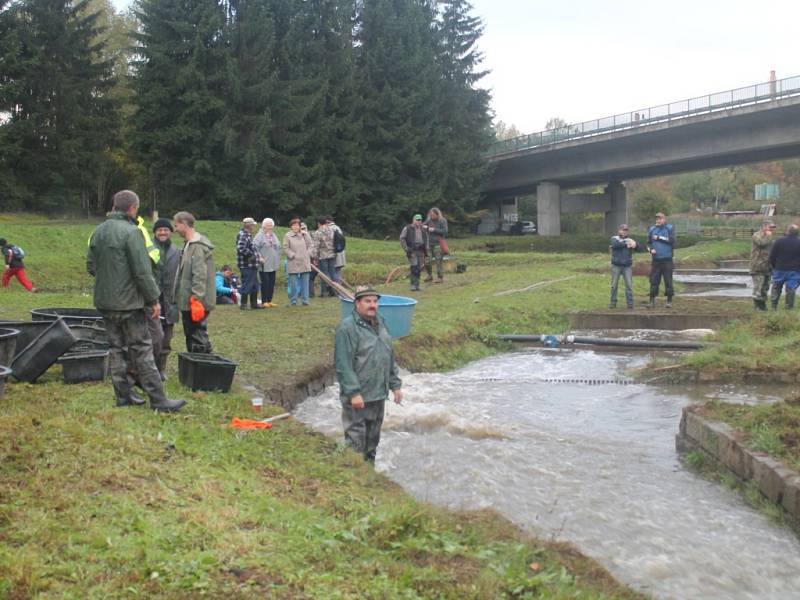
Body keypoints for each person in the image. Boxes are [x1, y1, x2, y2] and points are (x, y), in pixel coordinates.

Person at [86, 190, 185, 412]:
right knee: (142, 349)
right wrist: (153, 299)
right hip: (130, 304)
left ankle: (123, 396)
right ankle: (159, 400)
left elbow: (91, 266)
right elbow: (142, 272)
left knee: (116, 348)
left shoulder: (98, 231)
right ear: (132, 209)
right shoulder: (132, 233)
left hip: (104, 302)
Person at [334, 286, 403, 462]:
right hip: (358, 396)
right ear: (357, 303)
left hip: (378, 393)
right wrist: (354, 393)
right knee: (356, 442)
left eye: (375, 301)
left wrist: (395, 385)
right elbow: (343, 364)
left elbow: (388, 355)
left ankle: (369, 475)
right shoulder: (347, 328)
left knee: (372, 442)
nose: (372, 305)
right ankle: (353, 479)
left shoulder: (381, 323)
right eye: (367, 301)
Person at [173, 211, 215, 352]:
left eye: (176, 225)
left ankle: (202, 366)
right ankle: (196, 366)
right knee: (192, 335)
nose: (175, 229)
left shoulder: (197, 247)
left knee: (197, 336)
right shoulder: (189, 245)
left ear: (184, 224)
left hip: (195, 302)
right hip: (189, 300)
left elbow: (199, 274)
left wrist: (196, 299)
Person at [152, 218, 181, 376]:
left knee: (166, 339)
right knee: (151, 337)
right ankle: (148, 369)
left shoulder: (176, 251)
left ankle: (161, 369)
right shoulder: (147, 248)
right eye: (160, 230)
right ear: (155, 232)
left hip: (170, 301)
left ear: (170, 232)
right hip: (151, 300)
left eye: (166, 230)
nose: (163, 232)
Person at [646, 211, 675, 309]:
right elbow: (648, 243)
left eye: (660, 218)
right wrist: (651, 250)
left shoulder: (669, 228)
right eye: (657, 218)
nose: (658, 220)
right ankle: (651, 300)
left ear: (664, 219)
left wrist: (659, 237)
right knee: (654, 281)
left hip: (667, 259)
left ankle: (669, 301)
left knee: (668, 281)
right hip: (656, 260)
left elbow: (672, 241)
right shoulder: (652, 229)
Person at [282, 217, 314, 306]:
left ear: (300, 226)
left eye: (297, 225)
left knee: (305, 282)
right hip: (293, 262)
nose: (295, 227)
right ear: (291, 226)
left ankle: (305, 300)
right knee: (293, 283)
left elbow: (311, 245)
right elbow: (285, 247)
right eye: (294, 225)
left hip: (304, 261)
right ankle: (293, 300)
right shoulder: (287, 235)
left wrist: (308, 254)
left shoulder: (305, 235)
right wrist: (292, 255)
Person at [768, 223, 800, 310]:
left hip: (779, 268)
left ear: (788, 231)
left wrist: (774, 266)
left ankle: (773, 307)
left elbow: (772, 256)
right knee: (791, 289)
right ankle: (788, 308)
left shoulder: (779, 240)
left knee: (776, 287)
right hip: (795, 270)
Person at [750, 220, 776, 311]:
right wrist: (768, 236)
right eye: (770, 227)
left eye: (773, 227)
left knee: (765, 287)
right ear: (764, 226)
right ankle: (757, 306)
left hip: (767, 267)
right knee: (758, 287)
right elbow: (761, 243)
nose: (772, 229)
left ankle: (763, 306)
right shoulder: (757, 235)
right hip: (758, 266)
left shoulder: (770, 238)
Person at [609, 224, 637, 309]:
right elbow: (615, 245)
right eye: (623, 230)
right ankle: (613, 302)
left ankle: (630, 303)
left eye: (626, 230)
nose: (625, 232)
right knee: (614, 285)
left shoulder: (630, 240)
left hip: (627, 266)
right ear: (619, 230)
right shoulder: (614, 239)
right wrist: (627, 244)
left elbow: (639, 248)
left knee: (629, 285)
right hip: (616, 265)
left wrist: (635, 244)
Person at [236, 217, 262, 310]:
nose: (254, 226)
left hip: (252, 265)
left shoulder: (248, 235)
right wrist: (251, 256)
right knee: (247, 284)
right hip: (247, 265)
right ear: (249, 225)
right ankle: (243, 304)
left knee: (254, 284)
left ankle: (254, 303)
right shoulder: (243, 235)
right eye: (253, 225)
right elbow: (241, 248)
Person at [254, 218, 281, 307]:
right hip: (264, 264)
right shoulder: (259, 235)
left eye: (271, 226)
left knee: (271, 283)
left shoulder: (273, 235)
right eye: (268, 225)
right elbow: (254, 248)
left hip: (273, 263)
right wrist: (259, 257)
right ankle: (264, 301)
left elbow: (278, 246)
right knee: (265, 282)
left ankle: (269, 300)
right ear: (263, 226)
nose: (269, 227)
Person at [399, 214, 429, 291]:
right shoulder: (408, 228)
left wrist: (426, 249)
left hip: (421, 250)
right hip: (412, 251)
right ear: (413, 220)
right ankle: (413, 285)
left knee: (419, 268)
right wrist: (406, 248)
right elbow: (402, 239)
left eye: (420, 220)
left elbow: (426, 239)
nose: (419, 221)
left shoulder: (423, 229)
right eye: (417, 220)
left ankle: (417, 285)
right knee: (414, 267)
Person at [312, 216, 337, 297]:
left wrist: (314, 258)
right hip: (332, 254)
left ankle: (324, 292)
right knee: (333, 273)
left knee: (323, 274)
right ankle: (334, 291)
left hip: (323, 256)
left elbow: (316, 246)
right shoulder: (331, 230)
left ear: (318, 223)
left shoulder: (318, 232)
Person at [423, 207, 448, 283]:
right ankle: (429, 275)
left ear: (437, 214)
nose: (432, 216)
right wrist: (423, 227)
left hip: (438, 244)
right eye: (430, 215)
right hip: (429, 244)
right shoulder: (428, 220)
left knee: (438, 261)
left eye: (433, 215)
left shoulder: (442, 221)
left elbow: (445, 231)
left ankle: (440, 277)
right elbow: (423, 225)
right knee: (427, 261)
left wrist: (433, 229)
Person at [326, 215, 346, 282]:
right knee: (338, 273)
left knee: (332, 274)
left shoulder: (329, 229)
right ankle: (339, 290)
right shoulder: (337, 228)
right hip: (341, 254)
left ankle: (334, 290)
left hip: (334, 254)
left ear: (327, 221)